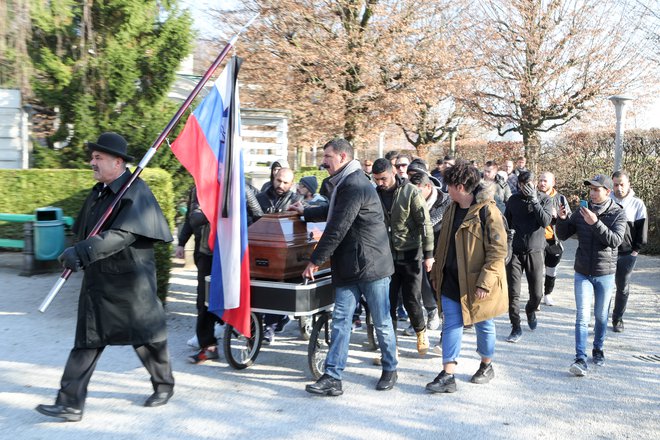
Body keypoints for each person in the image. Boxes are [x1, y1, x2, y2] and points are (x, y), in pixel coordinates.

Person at [36, 132, 175, 422]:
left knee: (147, 336)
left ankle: (163, 385)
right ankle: (70, 403)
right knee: (88, 340)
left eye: (98, 158)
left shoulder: (136, 191)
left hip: (130, 282)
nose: (92, 162)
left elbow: (123, 234)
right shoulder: (98, 192)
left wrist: (83, 252)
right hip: (100, 282)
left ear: (118, 162)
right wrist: (74, 250)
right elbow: (85, 231)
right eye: (93, 157)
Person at [291, 138, 398, 396]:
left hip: (370, 266)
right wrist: (305, 212)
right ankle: (332, 377)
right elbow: (333, 211)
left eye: (327, 155)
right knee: (340, 320)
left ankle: (390, 368)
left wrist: (315, 261)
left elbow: (337, 226)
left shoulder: (355, 184)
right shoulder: (345, 183)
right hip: (349, 265)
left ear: (341, 157)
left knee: (381, 321)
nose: (323, 160)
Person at [425, 159, 508, 393]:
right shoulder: (451, 207)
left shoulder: (488, 211)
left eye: (449, 185)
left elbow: (498, 250)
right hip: (451, 278)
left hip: (477, 281)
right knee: (451, 323)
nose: (445, 189)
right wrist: (437, 270)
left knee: (484, 323)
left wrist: (485, 282)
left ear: (460, 186)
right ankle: (448, 374)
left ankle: (486, 364)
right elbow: (443, 241)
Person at [556, 174, 626, 376]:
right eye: (591, 190)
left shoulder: (617, 213)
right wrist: (561, 219)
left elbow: (615, 241)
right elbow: (563, 234)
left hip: (605, 273)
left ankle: (598, 348)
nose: (593, 193)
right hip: (583, 272)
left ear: (607, 192)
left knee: (600, 316)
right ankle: (580, 358)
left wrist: (595, 223)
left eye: (597, 190)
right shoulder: (581, 211)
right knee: (582, 316)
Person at [372, 158, 434, 355]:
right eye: (376, 180)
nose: (380, 183)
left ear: (392, 172)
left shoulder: (410, 192)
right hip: (386, 255)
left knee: (411, 299)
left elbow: (425, 223)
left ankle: (421, 332)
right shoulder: (374, 195)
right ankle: (392, 345)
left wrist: (428, 254)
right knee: (387, 301)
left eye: (383, 178)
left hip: (410, 254)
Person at [175, 186, 222, 364]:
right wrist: (181, 242)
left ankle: (246, 335)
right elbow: (192, 219)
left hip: (231, 253)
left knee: (234, 296)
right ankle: (208, 345)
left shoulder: (238, 186)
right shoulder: (197, 188)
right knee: (204, 299)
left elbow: (255, 214)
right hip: (205, 253)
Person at [504, 171, 552, 343]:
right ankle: (515, 326)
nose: (526, 187)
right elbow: (507, 224)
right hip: (515, 252)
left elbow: (545, 221)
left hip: (535, 251)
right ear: (518, 185)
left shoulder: (545, 199)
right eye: (522, 184)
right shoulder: (513, 200)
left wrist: (534, 200)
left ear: (535, 183)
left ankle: (530, 310)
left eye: (529, 184)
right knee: (513, 292)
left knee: (537, 294)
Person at [256, 167, 302, 343]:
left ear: (291, 184)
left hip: (285, 254)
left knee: (278, 290)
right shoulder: (260, 199)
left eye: (285, 182)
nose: (280, 185)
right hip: (262, 249)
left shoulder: (296, 200)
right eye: (278, 180)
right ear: (274, 178)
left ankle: (271, 325)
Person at [409, 172, 451, 331]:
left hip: (442, 251)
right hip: (419, 250)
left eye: (417, 191)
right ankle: (429, 312)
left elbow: (431, 225)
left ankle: (445, 326)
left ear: (428, 186)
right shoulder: (411, 201)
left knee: (441, 290)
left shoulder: (446, 201)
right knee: (419, 285)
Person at [610, 170, 648, 332]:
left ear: (628, 185)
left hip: (627, 254)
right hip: (607, 253)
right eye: (616, 185)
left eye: (622, 184)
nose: (619, 188)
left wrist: (635, 252)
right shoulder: (606, 200)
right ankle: (601, 318)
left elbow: (642, 230)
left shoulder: (637, 204)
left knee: (622, 288)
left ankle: (618, 319)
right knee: (603, 288)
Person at [537, 171, 571, 306]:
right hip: (537, 239)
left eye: (545, 180)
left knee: (551, 269)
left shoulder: (560, 198)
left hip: (553, 239)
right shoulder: (534, 196)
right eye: (540, 180)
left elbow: (569, 219)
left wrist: (557, 216)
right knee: (537, 269)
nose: (542, 183)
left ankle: (548, 294)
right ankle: (536, 296)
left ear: (553, 183)